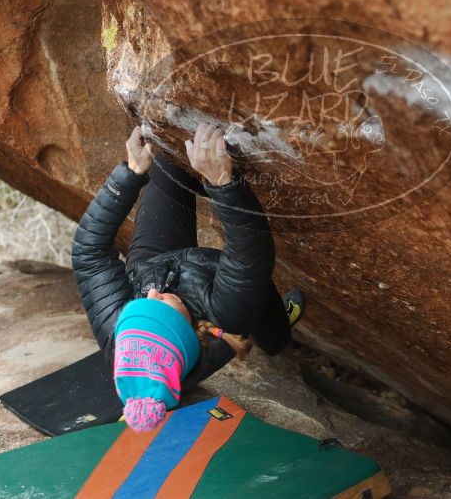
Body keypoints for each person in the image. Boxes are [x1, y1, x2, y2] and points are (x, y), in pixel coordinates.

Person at [71, 122, 304, 432]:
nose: (153, 294)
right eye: (160, 306)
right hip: (214, 285)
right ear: (191, 330)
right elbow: (248, 255)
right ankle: (276, 337)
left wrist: (130, 173)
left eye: (139, 306)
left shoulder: (119, 325)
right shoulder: (222, 315)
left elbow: (89, 253)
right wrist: (222, 182)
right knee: (257, 289)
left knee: (168, 159)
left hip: (155, 263)